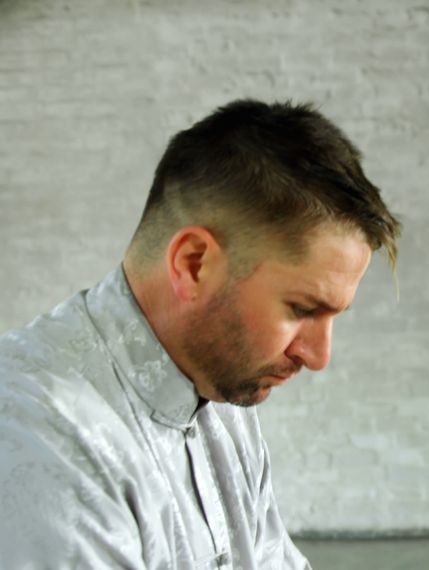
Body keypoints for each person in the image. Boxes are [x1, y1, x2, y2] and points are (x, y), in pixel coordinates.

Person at [0, 100, 402, 569]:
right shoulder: (41, 441)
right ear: (193, 263)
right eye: (302, 309)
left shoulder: (220, 395)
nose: (318, 355)